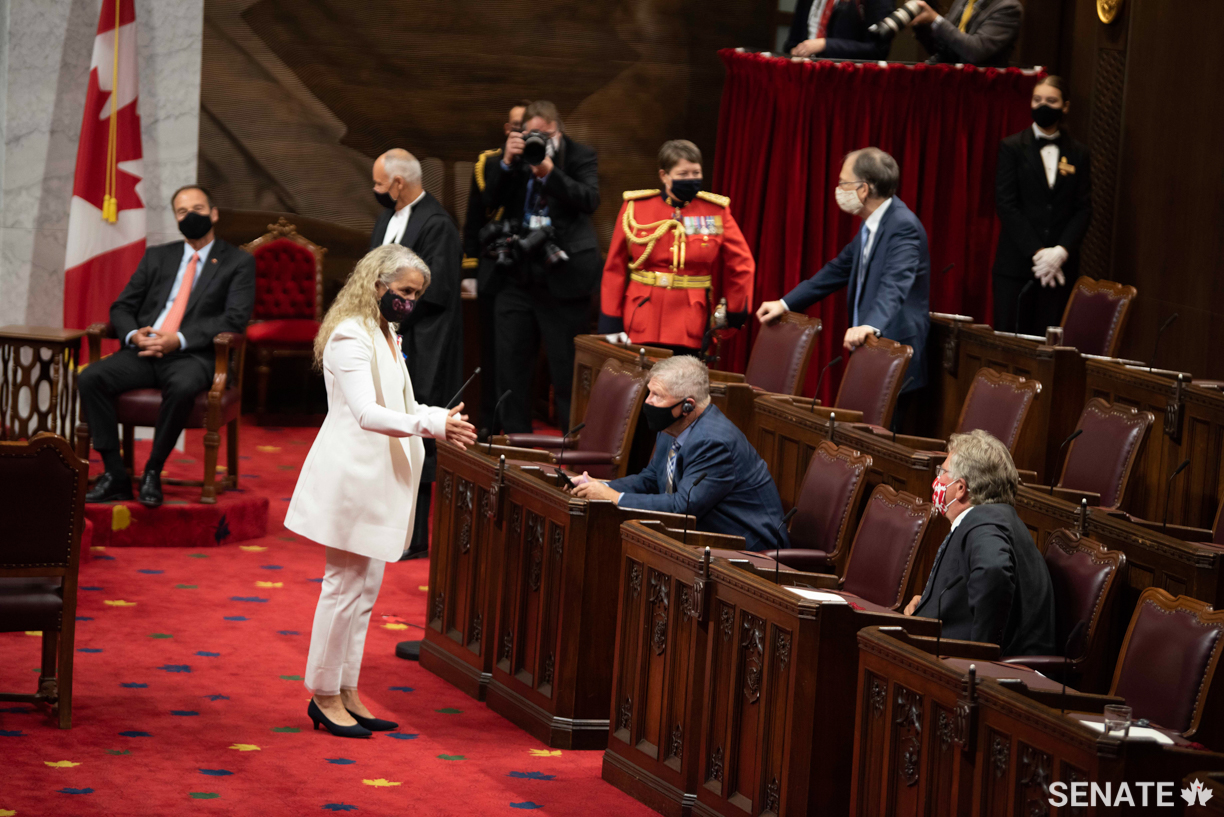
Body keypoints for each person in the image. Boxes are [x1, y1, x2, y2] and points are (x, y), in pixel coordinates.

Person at [285, 244, 477, 738]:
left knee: (365, 590)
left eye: (416, 294)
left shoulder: (387, 332)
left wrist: (440, 419)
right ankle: (323, 695)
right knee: (342, 589)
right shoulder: (351, 335)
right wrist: (431, 425)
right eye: (405, 291)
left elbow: (406, 401)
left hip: (380, 476)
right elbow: (367, 413)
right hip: (352, 476)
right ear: (377, 284)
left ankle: (347, 689)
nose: (410, 302)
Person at [80, 185, 256, 508]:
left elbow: (234, 319)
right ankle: (115, 474)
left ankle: (152, 471)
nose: (191, 216)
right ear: (175, 218)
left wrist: (179, 339)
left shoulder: (238, 262)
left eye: (198, 209)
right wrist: (135, 335)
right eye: (182, 211)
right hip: (145, 350)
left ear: (214, 213)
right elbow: (121, 307)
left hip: (195, 355)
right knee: (91, 378)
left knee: (182, 386)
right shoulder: (158, 256)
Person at [755, 147, 930, 400]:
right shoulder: (871, 224)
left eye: (842, 183)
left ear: (864, 189)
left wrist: (870, 325)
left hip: (893, 352)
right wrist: (785, 304)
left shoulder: (902, 226)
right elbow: (836, 270)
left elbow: (895, 284)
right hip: (870, 349)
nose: (838, 189)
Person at [572, 356, 789, 552]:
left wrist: (614, 498)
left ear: (687, 406)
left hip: (751, 548)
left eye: (657, 395)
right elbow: (649, 480)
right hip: (707, 536)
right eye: (649, 392)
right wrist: (598, 486)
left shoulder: (713, 442)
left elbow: (682, 508)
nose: (647, 401)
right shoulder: (672, 428)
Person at [479, 99, 601, 433]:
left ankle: (571, 451)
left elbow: (588, 200)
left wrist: (550, 172)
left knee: (565, 373)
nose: (538, 141)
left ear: (557, 132)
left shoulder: (580, 155)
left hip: (563, 277)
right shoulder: (515, 158)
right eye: (531, 134)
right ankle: (515, 448)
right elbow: (492, 200)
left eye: (544, 135)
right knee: (511, 368)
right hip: (517, 275)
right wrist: (506, 161)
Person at [370, 148, 464, 560]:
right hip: (390, 337)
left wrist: (392, 320)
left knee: (418, 431)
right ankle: (385, 521)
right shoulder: (388, 219)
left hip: (425, 344)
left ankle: (416, 536)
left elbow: (434, 291)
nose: (374, 190)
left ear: (398, 183)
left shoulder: (437, 225)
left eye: (378, 184)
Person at [903, 430, 1056, 657]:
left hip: (990, 676)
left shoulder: (985, 524)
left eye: (942, 472)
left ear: (961, 488)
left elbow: (994, 572)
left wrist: (979, 655)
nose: (937, 480)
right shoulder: (993, 519)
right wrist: (930, 603)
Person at [598, 140, 754, 356]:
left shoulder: (715, 211)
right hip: (641, 315)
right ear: (664, 176)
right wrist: (610, 318)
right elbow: (614, 266)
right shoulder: (636, 207)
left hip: (690, 320)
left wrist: (736, 310)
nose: (691, 179)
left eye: (696, 173)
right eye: (683, 174)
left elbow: (743, 264)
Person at [992, 76, 1092, 335]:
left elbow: (1083, 208)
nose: (1042, 105)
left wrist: (1060, 252)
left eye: (1051, 101)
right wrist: (1037, 253)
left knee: (1050, 349)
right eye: (1037, 100)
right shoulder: (1012, 147)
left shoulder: (1079, 152)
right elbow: (1006, 204)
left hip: (1059, 271)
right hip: (1016, 267)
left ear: (1065, 106)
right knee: (1011, 344)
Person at [463, 100, 531, 436]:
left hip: (534, 272)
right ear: (508, 130)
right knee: (491, 354)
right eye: (518, 126)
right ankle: (489, 423)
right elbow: (478, 214)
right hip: (496, 270)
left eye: (529, 127)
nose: (523, 133)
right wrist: (470, 270)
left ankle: (520, 425)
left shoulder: (546, 162)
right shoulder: (489, 162)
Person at [907, 0, 1022, 68]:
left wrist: (935, 20)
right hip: (951, 83)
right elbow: (943, 48)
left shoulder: (1008, 7)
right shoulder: (962, 1)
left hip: (983, 89)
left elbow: (975, 51)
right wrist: (920, 23)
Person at [784, 0, 895, 60]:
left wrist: (824, 45)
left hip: (847, 82)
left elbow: (878, 50)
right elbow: (793, 41)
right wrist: (795, 50)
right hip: (804, 76)